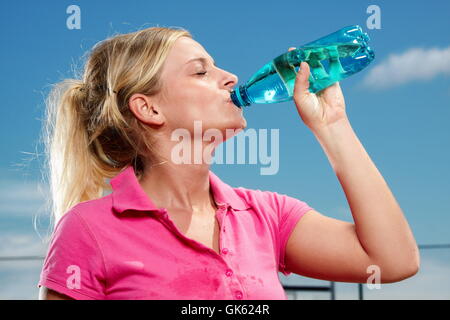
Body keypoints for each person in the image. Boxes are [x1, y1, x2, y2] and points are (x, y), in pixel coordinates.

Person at [38, 26, 419, 300]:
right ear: (148, 107)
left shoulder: (266, 215)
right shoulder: (89, 230)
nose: (231, 78)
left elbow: (391, 260)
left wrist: (332, 126)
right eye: (201, 71)